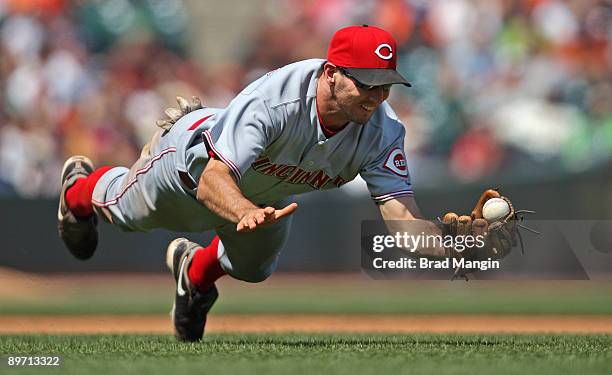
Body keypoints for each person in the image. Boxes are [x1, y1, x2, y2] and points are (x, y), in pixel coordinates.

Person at [57, 25, 504, 342]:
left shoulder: (382, 131)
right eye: (366, 82)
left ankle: (194, 276)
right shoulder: (277, 100)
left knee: (253, 270)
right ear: (331, 73)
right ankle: (76, 192)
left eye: (385, 84)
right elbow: (215, 178)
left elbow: (404, 224)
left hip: (263, 196)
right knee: (122, 213)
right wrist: (244, 212)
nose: (376, 96)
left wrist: (455, 246)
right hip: (189, 166)